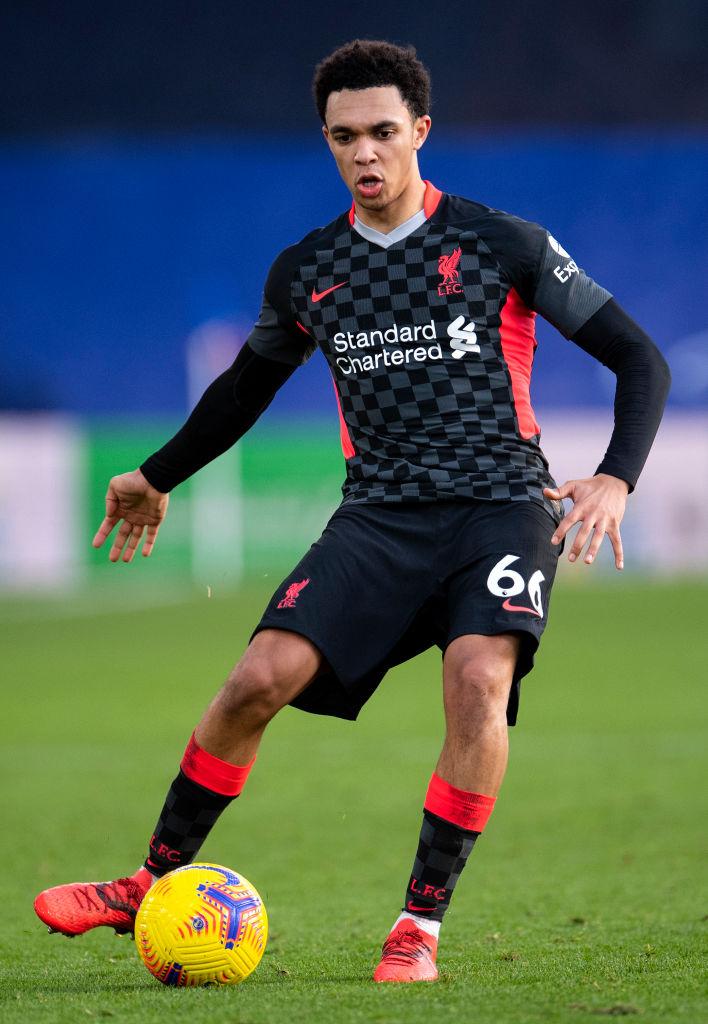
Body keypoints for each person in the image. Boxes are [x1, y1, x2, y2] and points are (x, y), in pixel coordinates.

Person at [34, 39, 670, 983]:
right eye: (344, 137)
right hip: (378, 518)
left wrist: (617, 476)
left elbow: (639, 358)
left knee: (477, 681)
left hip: (500, 507)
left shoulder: (502, 244)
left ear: (420, 130)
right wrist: (157, 474)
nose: (365, 152)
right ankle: (148, 882)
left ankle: (418, 927)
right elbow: (243, 390)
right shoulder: (309, 270)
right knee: (256, 682)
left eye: (382, 131)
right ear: (327, 142)